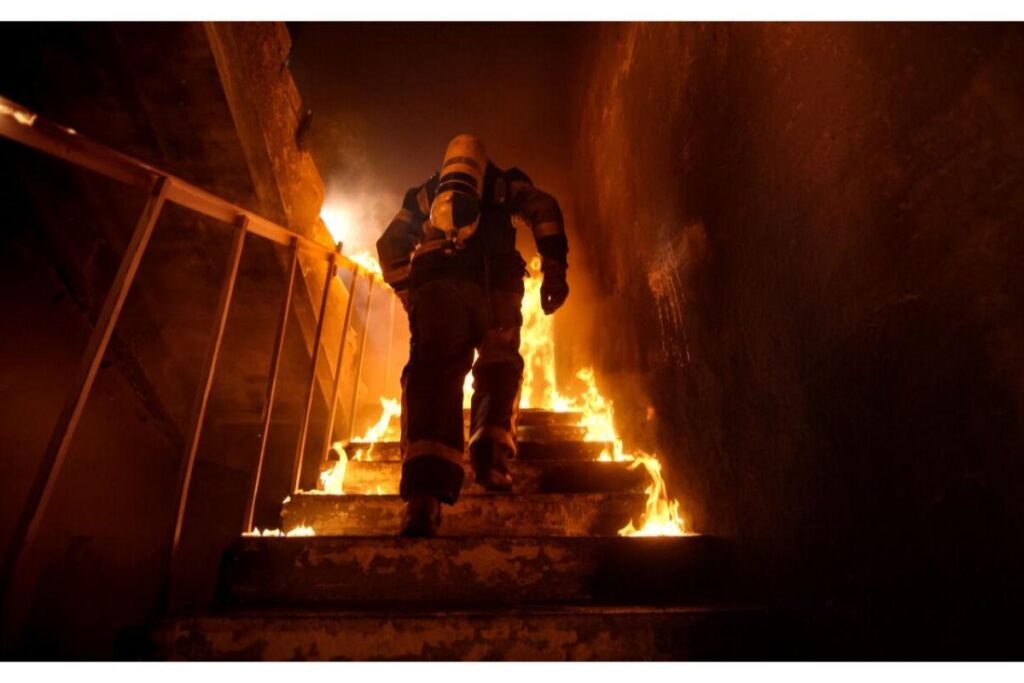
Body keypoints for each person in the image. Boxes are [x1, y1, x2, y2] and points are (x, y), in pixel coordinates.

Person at [376, 134, 569, 536]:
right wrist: (554, 268)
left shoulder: (426, 193)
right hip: (495, 287)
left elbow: (391, 243)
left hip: (437, 292)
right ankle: (491, 460)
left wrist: (411, 295)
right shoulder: (504, 184)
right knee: (500, 365)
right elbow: (544, 208)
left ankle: (423, 502)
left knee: (432, 378)